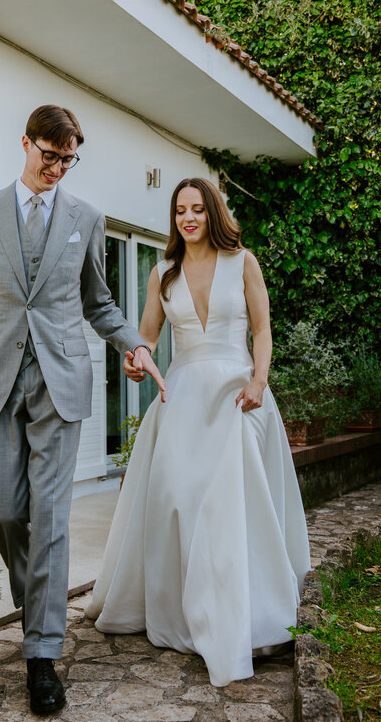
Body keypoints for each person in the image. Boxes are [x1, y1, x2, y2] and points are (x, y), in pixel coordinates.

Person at [0, 104, 164, 715]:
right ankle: (37, 599)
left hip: (61, 381)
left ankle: (42, 654)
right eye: (50, 155)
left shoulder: (85, 218)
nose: (58, 168)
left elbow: (99, 301)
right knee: (6, 512)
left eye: (69, 159)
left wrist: (134, 344)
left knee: (53, 521)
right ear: (26, 143)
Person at [85, 176, 310, 687]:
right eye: (180, 211)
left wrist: (259, 378)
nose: (188, 218)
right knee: (181, 499)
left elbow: (262, 328)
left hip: (238, 393)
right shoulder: (162, 272)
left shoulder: (243, 262)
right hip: (182, 398)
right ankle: (188, 611)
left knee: (230, 494)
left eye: (197, 209)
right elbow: (145, 337)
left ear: (212, 212)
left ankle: (245, 611)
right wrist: (134, 363)